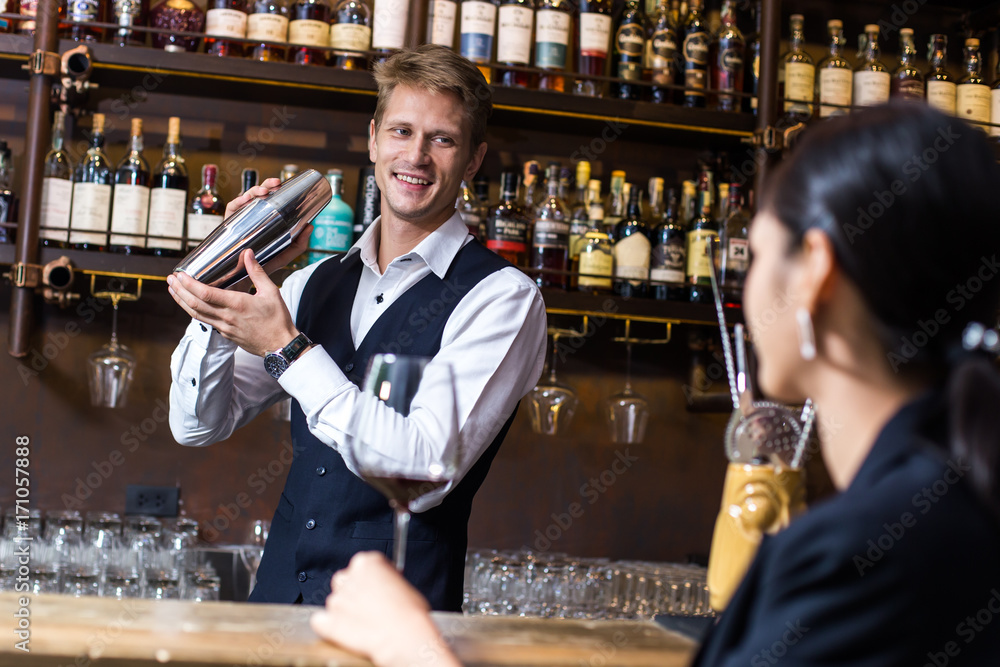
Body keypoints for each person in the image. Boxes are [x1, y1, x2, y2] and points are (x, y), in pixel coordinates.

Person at [310, 104, 1000, 665]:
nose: (743, 284)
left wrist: (412, 647)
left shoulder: (859, 556)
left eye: (756, 253)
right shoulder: (950, 508)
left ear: (815, 273)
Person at [166, 44, 547, 611]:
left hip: (397, 629)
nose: (415, 156)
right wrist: (231, 281)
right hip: (273, 615)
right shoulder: (312, 281)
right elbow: (197, 424)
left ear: (472, 161)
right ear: (373, 140)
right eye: (400, 131)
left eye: (441, 139)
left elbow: (419, 471)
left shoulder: (502, 299)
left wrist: (287, 348)